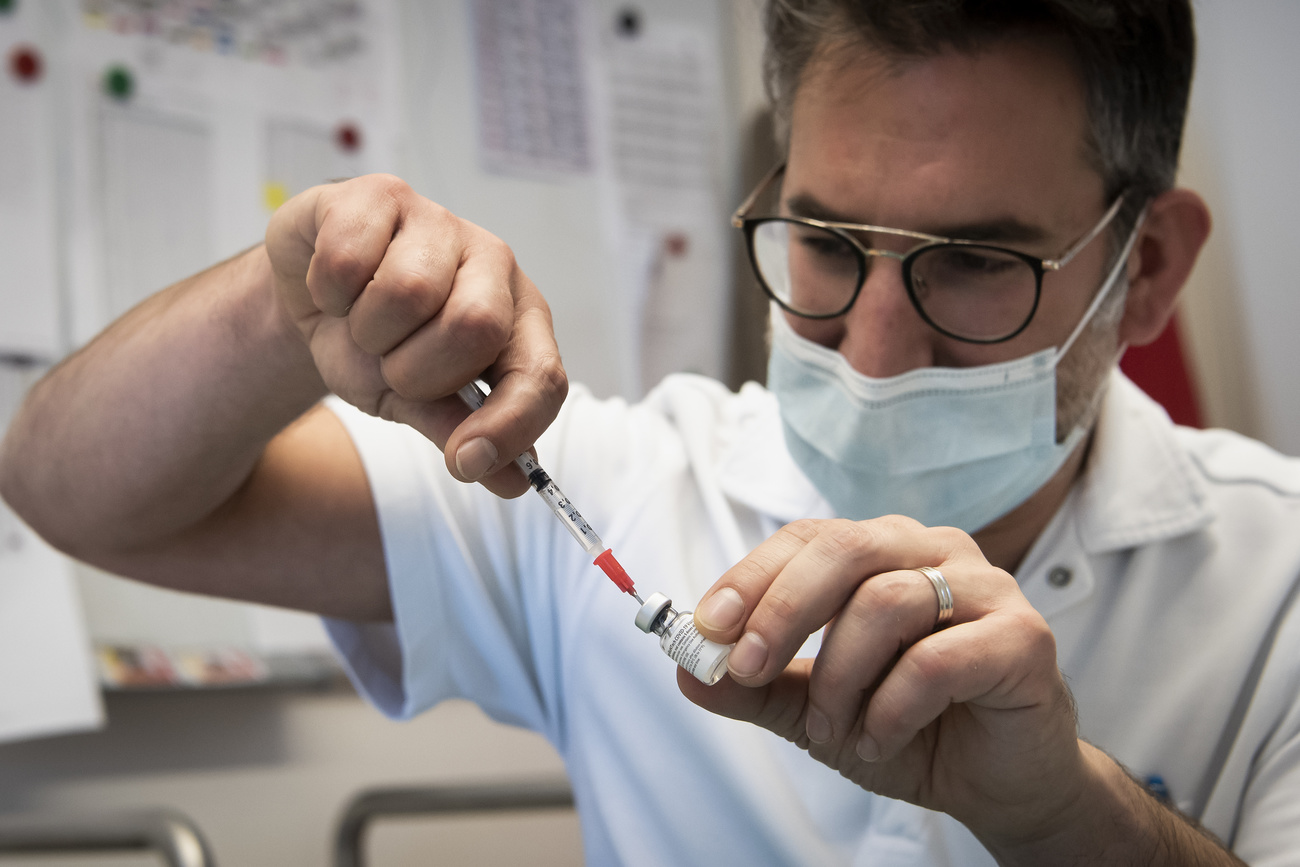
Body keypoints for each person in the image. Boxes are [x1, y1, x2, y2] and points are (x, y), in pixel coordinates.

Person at [2, 0, 1297, 863]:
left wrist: (1068, 818)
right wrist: (289, 302)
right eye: (829, 243)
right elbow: (73, 492)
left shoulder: (1277, 593)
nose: (875, 347)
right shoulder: (616, 487)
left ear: (1146, 271)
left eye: (973, 265)